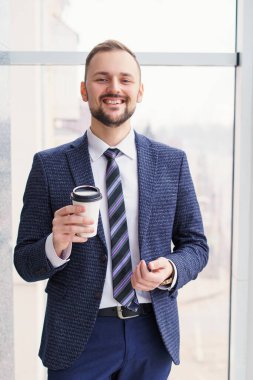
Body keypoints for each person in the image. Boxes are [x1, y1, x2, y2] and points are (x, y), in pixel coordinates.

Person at [14, 40, 209, 380]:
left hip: (152, 334)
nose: (114, 88)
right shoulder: (49, 166)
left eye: (125, 79)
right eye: (102, 78)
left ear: (140, 90)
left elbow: (196, 246)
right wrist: (55, 245)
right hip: (78, 338)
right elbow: (25, 263)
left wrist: (171, 269)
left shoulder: (171, 163)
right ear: (84, 89)